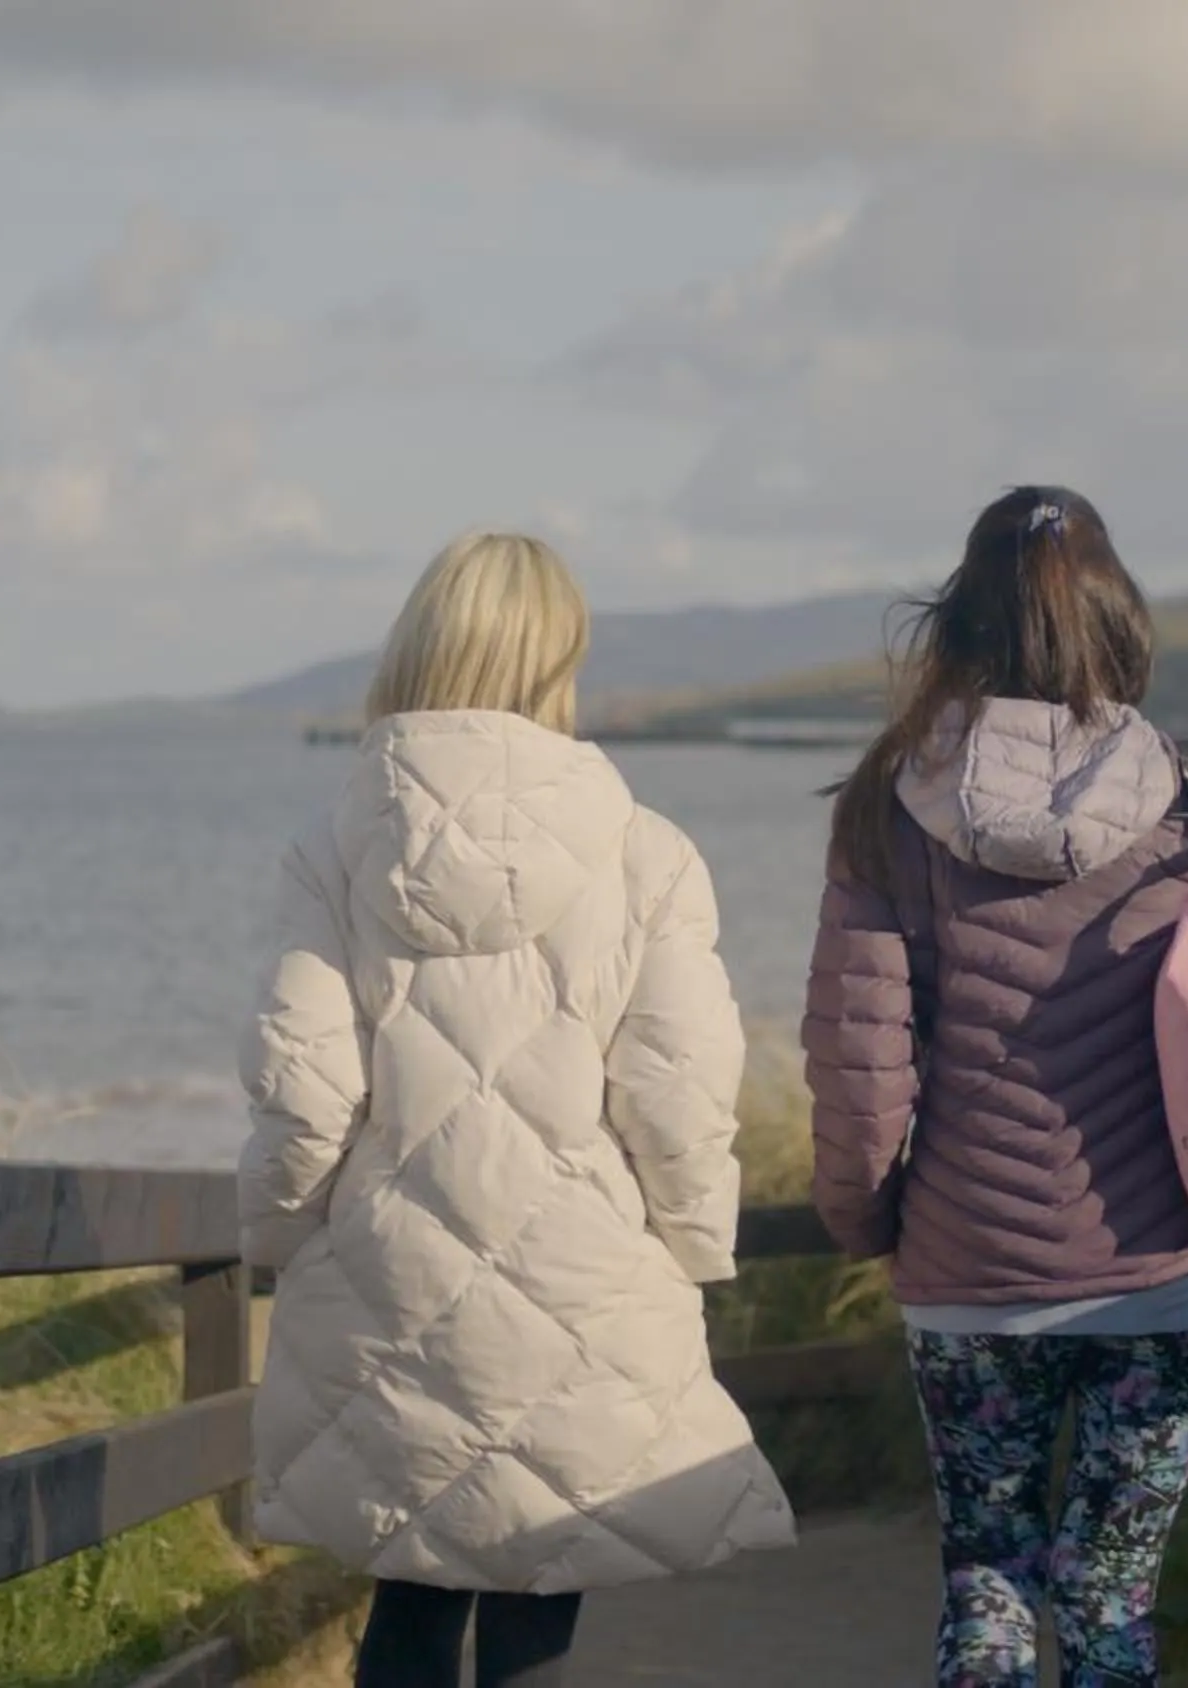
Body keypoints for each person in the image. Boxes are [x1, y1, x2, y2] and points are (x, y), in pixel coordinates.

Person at [801, 486, 1188, 1688]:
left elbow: (861, 1065)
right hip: (1175, 1276)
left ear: (960, 626)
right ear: (1115, 615)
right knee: (1110, 1598)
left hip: (971, 1281)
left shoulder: (887, 811)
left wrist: (867, 1222)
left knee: (988, 1576)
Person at [239, 531, 797, 1688]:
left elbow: (303, 1087)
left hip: (390, 1280)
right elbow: (679, 1091)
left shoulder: (333, 848)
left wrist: (283, 1237)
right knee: (541, 1602)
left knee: (409, 1595)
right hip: (583, 1279)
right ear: (558, 665)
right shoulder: (647, 850)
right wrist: (693, 1242)